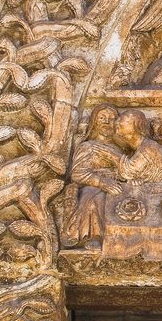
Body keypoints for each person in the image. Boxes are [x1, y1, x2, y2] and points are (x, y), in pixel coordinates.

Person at [64, 105, 123, 248]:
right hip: (95, 187)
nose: (106, 122)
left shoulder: (120, 149)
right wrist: (101, 182)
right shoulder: (88, 146)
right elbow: (77, 173)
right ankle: (93, 236)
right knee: (93, 196)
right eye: (102, 118)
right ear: (94, 122)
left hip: (118, 185)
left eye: (111, 119)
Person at [114, 110, 162, 184]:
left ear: (136, 125)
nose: (118, 122)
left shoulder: (148, 147)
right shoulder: (136, 149)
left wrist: (109, 153)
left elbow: (129, 171)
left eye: (123, 119)